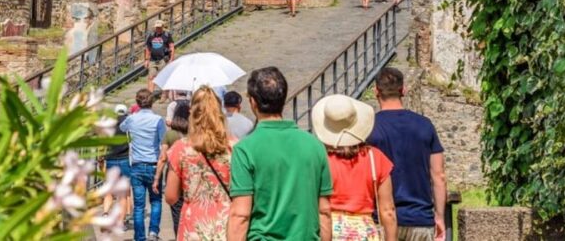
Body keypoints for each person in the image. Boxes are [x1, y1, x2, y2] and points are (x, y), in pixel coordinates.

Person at [228, 67, 333, 241]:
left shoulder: (245, 149)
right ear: (283, 99)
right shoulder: (314, 145)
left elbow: (240, 214)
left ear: (253, 102)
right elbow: (324, 210)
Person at [368, 68, 447, 241]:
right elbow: (438, 175)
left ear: (376, 92)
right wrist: (439, 217)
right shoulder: (425, 125)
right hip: (420, 218)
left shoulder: (369, 128)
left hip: (381, 220)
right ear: (403, 90)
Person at [312, 95, 398, 241]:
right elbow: (387, 211)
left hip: (330, 230)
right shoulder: (375, 158)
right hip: (365, 232)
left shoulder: (320, 159)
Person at [166, 86, 233, 240]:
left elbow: (171, 196)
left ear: (192, 113)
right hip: (225, 223)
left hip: (193, 225)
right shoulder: (234, 147)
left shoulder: (181, 148)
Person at [120, 89, 167, 241]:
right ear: (152, 101)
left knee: (139, 206)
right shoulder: (158, 120)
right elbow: (162, 140)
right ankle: (153, 232)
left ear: (137, 101)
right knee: (156, 200)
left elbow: (122, 128)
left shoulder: (132, 119)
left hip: (137, 164)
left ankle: (139, 237)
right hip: (153, 163)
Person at [154, 102, 190, 237]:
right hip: (190, 173)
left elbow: (162, 158)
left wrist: (157, 178)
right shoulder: (194, 134)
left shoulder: (169, 135)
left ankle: (178, 236)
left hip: (173, 174)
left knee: (176, 211)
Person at [103, 104, 133, 231]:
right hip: (124, 159)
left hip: (110, 159)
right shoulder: (128, 123)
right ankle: (121, 222)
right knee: (123, 194)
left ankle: (105, 214)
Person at [145, 19, 175, 94]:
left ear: (162, 27)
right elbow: (148, 48)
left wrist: (171, 59)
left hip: (163, 59)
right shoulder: (151, 36)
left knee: (163, 77)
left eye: (159, 27)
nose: (158, 29)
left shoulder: (167, 35)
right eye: (157, 27)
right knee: (151, 77)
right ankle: (149, 95)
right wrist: (146, 60)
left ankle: (164, 95)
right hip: (153, 59)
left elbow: (171, 47)